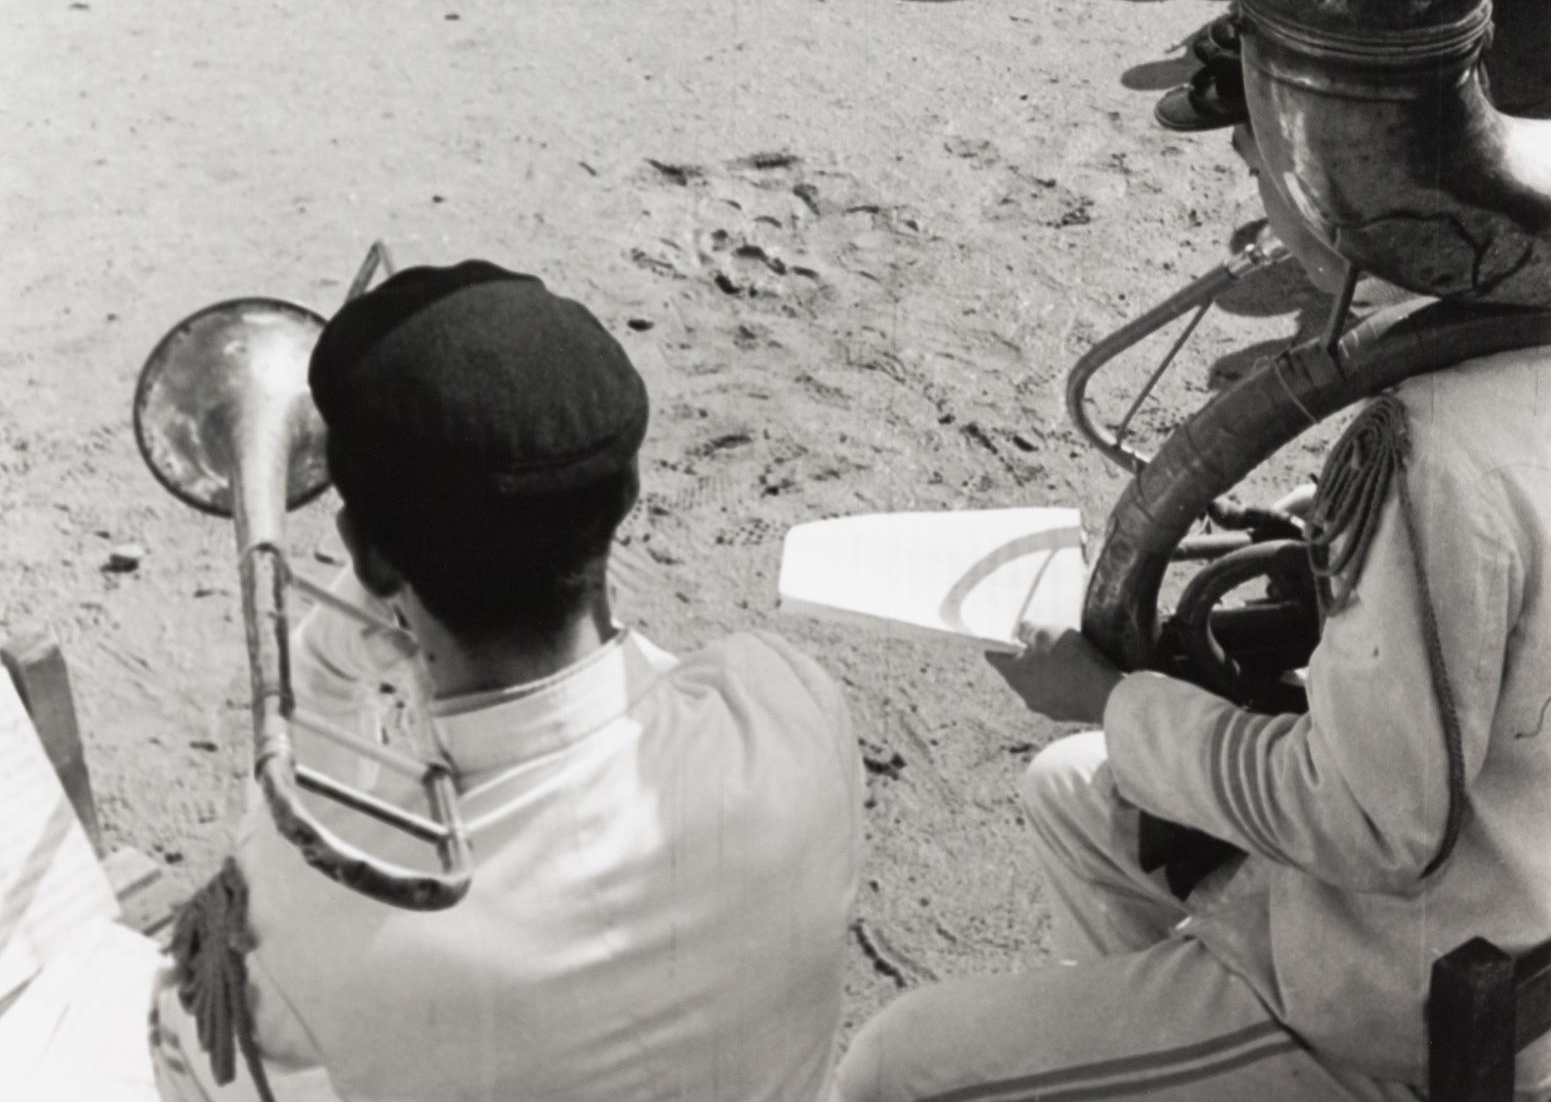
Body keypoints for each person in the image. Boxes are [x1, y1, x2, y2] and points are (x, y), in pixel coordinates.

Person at [836, 136, 1551, 1102]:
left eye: (1260, 168)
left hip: (1407, 1003)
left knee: (901, 1061)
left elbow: (1374, 827)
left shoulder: (1430, 449)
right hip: (1520, 886)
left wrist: (1109, 700)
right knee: (1071, 795)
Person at [148, 261, 861, 1102]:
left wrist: (366, 596)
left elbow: (186, 1056)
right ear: (626, 496)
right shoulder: (787, 708)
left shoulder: (316, 905)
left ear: (364, 553)